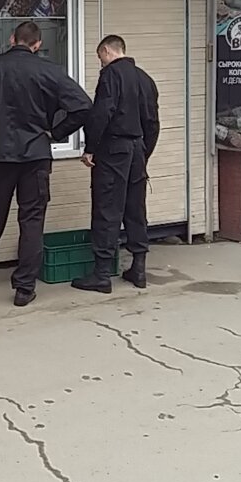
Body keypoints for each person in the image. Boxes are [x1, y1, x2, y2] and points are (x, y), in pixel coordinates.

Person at [0, 21, 92, 307]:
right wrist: (57, 132)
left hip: (1, 152)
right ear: (38, 44)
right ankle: (24, 287)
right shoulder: (50, 71)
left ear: (12, 39)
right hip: (36, 153)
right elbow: (83, 106)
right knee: (32, 219)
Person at [72, 35, 160, 294]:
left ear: (107, 51)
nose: (100, 62)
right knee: (135, 208)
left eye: (100, 57)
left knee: (107, 207)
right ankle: (138, 268)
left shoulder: (111, 75)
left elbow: (102, 113)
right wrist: (144, 153)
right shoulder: (145, 79)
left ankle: (101, 274)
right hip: (137, 150)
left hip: (113, 149)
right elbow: (153, 122)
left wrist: (91, 147)